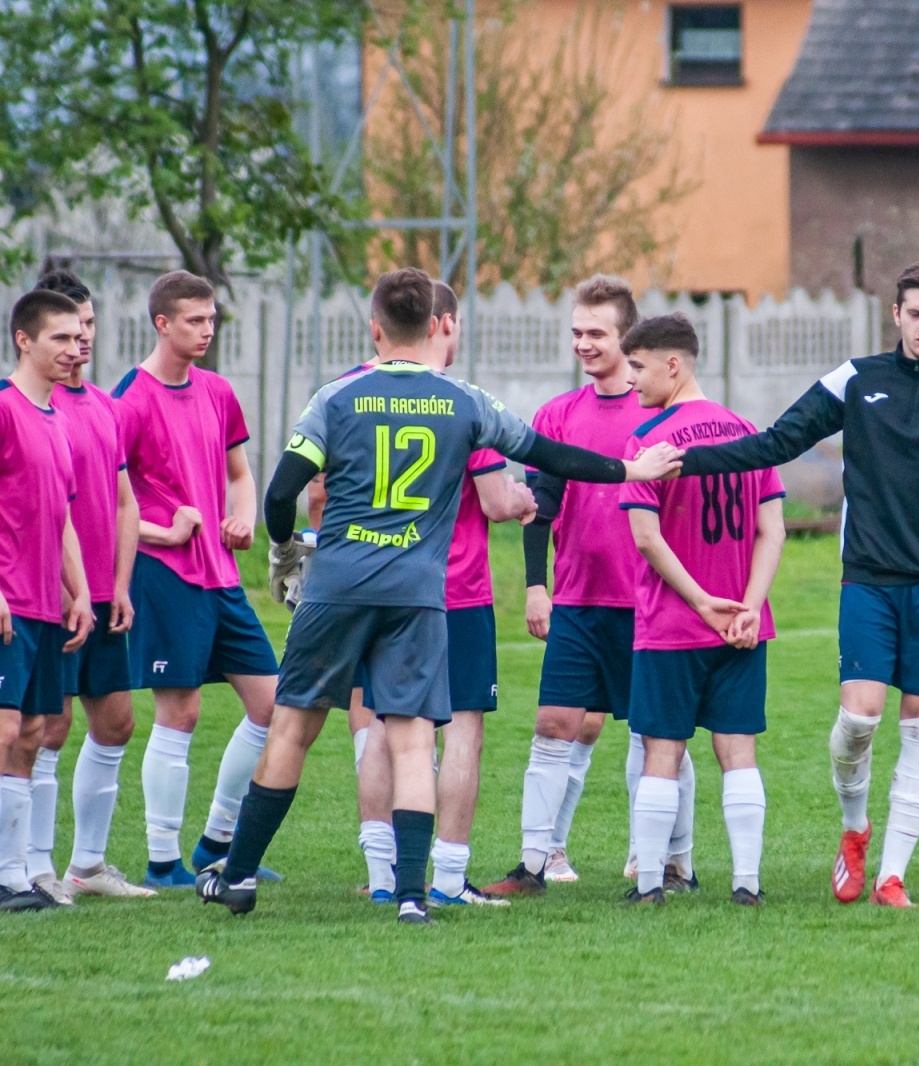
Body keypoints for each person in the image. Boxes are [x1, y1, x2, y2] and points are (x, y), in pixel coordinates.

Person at [195, 268, 680, 924]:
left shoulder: (337, 397)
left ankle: (241, 876)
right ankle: (416, 896)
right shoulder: (465, 403)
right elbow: (550, 456)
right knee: (416, 737)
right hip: (419, 594)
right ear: (437, 325)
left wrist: (284, 550)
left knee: (293, 728)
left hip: (337, 587)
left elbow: (281, 493)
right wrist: (630, 468)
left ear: (374, 329)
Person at [676, 261, 919, 908]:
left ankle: (890, 876)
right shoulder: (856, 380)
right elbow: (777, 442)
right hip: (870, 580)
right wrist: (685, 460)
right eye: (916, 314)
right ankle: (855, 830)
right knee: (858, 719)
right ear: (897, 315)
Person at [484, 275, 699, 897]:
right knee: (554, 723)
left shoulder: (662, 411)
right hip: (577, 602)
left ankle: (665, 860)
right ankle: (533, 864)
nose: (583, 343)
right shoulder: (557, 415)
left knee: (658, 734)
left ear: (627, 337)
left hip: (649, 603)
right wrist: (535, 586)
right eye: (576, 332)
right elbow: (538, 507)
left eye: (596, 333)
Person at [344, 281, 537, 907]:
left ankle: (381, 878)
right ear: (442, 324)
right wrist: (525, 500)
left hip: (377, 584)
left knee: (383, 726)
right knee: (462, 732)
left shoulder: (351, 391)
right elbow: (495, 498)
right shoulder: (458, 403)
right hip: (454, 590)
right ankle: (449, 880)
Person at [112, 271, 283, 888]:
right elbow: (108, 502)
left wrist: (242, 517)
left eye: (212, 319)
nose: (206, 329)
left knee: (274, 705)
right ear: (162, 323)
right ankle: (162, 862)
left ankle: (218, 840)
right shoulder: (128, 398)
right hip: (164, 576)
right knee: (179, 713)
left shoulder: (217, 391)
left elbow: (240, 473)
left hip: (221, 576)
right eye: (193, 320)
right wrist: (166, 532)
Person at [617, 314, 785, 906]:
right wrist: (748, 607)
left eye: (636, 366)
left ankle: (648, 887)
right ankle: (747, 883)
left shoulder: (650, 442)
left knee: (663, 751)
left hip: (672, 624)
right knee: (737, 751)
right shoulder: (748, 431)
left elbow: (644, 537)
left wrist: (700, 603)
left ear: (673, 364)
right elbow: (773, 530)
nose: (628, 378)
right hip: (742, 625)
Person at [22, 271, 153, 900]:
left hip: (102, 591)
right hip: (44, 594)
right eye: (71, 331)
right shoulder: (26, 407)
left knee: (118, 723)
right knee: (47, 728)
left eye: (90, 327)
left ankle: (89, 865)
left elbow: (123, 502)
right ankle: (34, 866)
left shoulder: (105, 407)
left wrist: (120, 583)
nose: (83, 342)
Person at [0, 290, 95, 912]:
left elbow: (61, 517)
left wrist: (79, 589)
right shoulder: (5, 409)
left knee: (33, 732)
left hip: (43, 604)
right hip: (9, 599)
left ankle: (12, 878)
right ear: (24, 341)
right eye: (59, 337)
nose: (74, 347)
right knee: (4, 728)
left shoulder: (56, 419)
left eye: (77, 336)